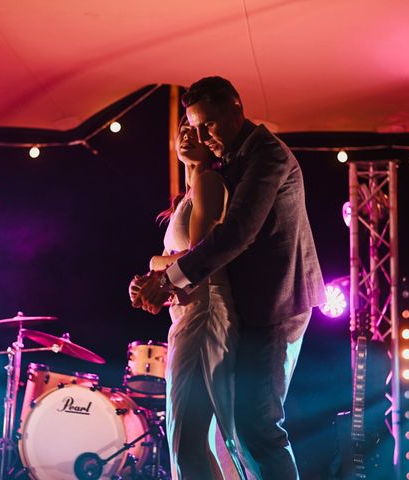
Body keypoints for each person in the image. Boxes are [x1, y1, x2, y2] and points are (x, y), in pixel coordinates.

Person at [130, 76, 326, 480]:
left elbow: (237, 233)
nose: (202, 135)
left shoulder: (267, 155)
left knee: (258, 425)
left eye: (209, 125)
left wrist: (166, 279)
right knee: (234, 429)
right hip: (244, 307)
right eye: (194, 127)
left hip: (277, 304)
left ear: (236, 108)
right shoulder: (231, 158)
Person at [133, 116, 246, 480]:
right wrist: (147, 285)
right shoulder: (188, 196)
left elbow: (202, 257)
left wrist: (154, 264)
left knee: (188, 439)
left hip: (205, 313)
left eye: (195, 130)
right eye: (182, 129)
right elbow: (181, 270)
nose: (186, 134)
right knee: (195, 439)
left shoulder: (210, 182)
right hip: (189, 313)